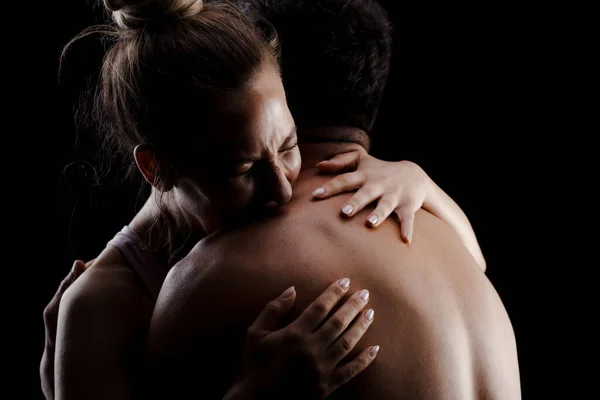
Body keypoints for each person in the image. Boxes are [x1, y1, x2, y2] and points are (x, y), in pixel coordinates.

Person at [46, 0, 485, 398]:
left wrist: (419, 179)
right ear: (155, 169)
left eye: (289, 145)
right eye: (242, 170)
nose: (283, 187)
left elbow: (476, 264)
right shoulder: (97, 307)